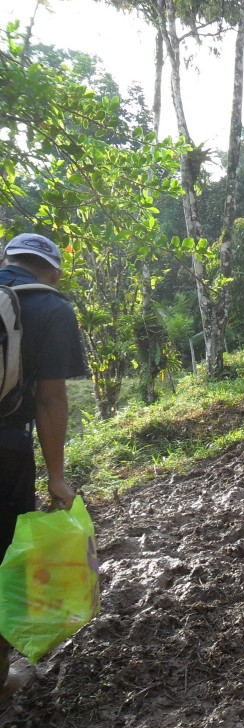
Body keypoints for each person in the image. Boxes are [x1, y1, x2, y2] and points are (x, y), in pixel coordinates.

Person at [0, 233, 89, 695]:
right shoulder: (51, 308)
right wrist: (55, 476)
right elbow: (50, 398)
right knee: (3, 559)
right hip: (6, 448)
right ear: (52, 271)